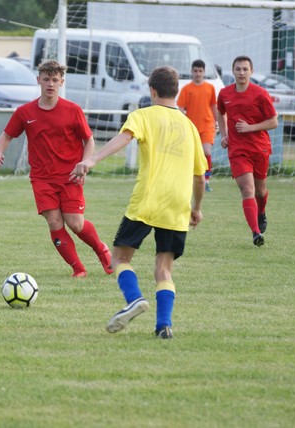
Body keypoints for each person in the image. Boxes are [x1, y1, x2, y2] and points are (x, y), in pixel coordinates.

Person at [72, 66, 206, 339]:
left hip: (148, 200)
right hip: (177, 206)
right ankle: (163, 326)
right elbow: (200, 177)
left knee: (120, 257)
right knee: (164, 269)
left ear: (152, 90)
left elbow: (124, 138)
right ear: (176, 91)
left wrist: (92, 159)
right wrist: (196, 208)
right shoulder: (190, 126)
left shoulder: (143, 115)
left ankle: (134, 299)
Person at [0, 60, 112, 278]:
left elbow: (89, 140)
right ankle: (78, 269)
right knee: (55, 222)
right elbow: (6, 135)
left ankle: (102, 251)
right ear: (38, 80)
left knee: (75, 223)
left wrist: (84, 163)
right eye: (46, 79)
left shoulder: (72, 110)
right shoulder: (24, 112)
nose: (50, 84)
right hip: (42, 178)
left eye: (55, 80)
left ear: (61, 82)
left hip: (70, 176)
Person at [216, 55, 278, 247]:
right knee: (247, 189)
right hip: (237, 150)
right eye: (238, 69)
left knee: (260, 191)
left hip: (259, 148)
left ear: (251, 71)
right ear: (233, 71)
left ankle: (261, 212)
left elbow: (273, 122)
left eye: (245, 69)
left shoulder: (260, 94)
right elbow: (220, 112)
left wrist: (251, 127)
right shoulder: (224, 94)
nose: (241, 72)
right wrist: (224, 135)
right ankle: (255, 232)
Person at [177, 59, 218, 192]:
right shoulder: (186, 89)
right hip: (191, 127)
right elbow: (181, 108)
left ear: (204, 72)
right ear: (191, 71)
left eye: (200, 71)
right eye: (195, 71)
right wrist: (182, 124)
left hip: (207, 125)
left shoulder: (210, 88)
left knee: (206, 152)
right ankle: (191, 179)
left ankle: (206, 180)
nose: (198, 73)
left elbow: (214, 106)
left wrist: (218, 121)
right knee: (191, 154)